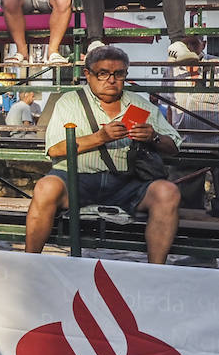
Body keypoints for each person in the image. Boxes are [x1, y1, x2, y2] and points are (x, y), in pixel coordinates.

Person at [24, 46, 181, 264]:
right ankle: (31, 263)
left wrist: (153, 137)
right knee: (45, 186)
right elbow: (55, 150)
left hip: (127, 182)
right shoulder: (69, 102)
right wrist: (100, 137)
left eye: (119, 74)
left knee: (167, 192)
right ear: (87, 74)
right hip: (76, 180)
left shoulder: (140, 104)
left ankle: (155, 271)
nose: (111, 80)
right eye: (103, 73)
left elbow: (173, 145)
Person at [166, 37, 219, 210]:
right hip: (186, 145)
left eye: (194, 43)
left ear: (203, 44)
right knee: (186, 204)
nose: (189, 47)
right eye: (185, 43)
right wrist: (171, 135)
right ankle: (193, 232)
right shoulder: (172, 69)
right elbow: (169, 106)